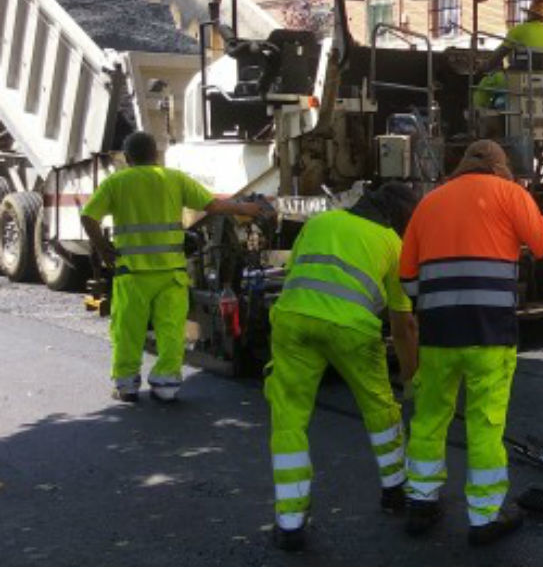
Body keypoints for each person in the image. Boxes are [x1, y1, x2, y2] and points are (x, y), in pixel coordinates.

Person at [399, 139, 543, 546]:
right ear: (500, 170)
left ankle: (421, 503)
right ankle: (484, 517)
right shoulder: (509, 194)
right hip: (489, 333)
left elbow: (407, 281)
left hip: (438, 334)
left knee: (429, 418)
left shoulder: (429, 203)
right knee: (485, 424)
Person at [262, 183, 421, 552]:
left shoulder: (319, 222)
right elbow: (404, 326)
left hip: (293, 322)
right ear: (398, 220)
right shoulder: (391, 243)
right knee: (379, 407)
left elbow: (294, 278)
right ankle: (395, 490)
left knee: (289, 421)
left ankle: (290, 521)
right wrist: (411, 377)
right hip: (352, 331)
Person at [80, 131, 269, 403]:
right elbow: (214, 206)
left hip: (132, 274)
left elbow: (88, 217)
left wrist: (102, 248)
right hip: (171, 274)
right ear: (155, 154)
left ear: (128, 157)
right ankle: (166, 384)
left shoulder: (116, 182)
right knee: (170, 330)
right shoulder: (174, 179)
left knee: (127, 330)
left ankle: (126, 386)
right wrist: (249, 208)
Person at [473, 6, 543, 111]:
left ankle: (476, 116)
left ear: (530, 15)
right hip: (542, 83)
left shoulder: (519, 30)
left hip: (518, 80)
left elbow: (497, 57)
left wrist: (483, 66)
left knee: (488, 82)